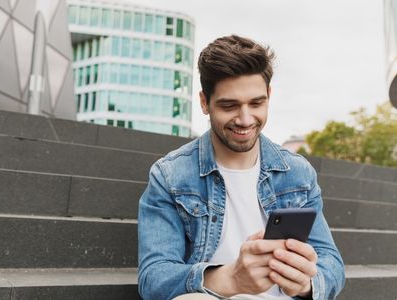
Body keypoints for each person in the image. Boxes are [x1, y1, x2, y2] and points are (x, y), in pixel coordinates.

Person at [137, 35, 345, 300]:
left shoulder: (298, 173)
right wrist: (232, 277)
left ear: (269, 96)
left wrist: (305, 284)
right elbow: (154, 279)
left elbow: (332, 264)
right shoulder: (170, 176)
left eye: (256, 103)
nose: (245, 120)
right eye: (229, 105)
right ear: (204, 102)